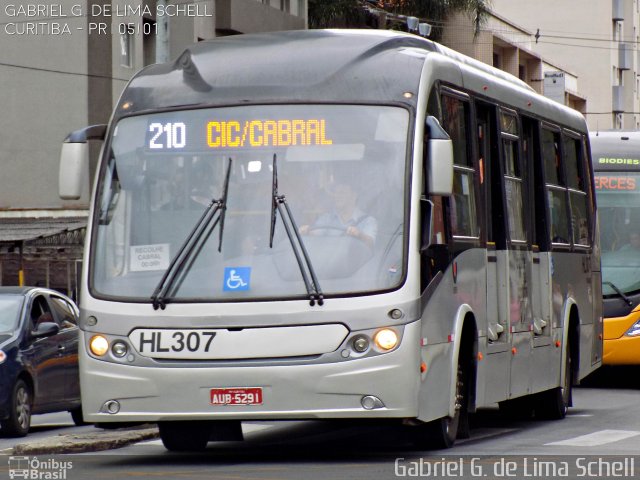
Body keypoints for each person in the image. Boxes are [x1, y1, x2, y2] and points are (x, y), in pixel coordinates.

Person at [300, 182, 377, 249]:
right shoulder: (327, 218)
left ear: (354, 196)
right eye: (336, 193)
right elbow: (316, 234)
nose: (337, 196)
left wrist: (359, 235)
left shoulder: (368, 221)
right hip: (329, 263)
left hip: (358, 265)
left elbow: (371, 245)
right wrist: (307, 231)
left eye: (342, 192)